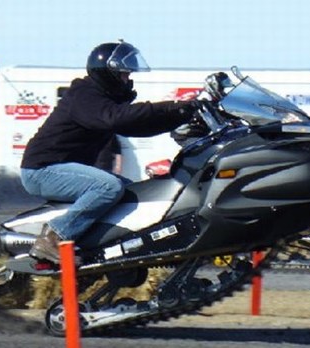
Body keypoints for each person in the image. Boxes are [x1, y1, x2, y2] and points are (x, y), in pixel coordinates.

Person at [21, 41, 198, 263]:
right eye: (124, 74)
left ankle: (106, 247)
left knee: (137, 192)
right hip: (42, 170)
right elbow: (117, 117)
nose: (128, 79)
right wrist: (171, 106)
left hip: (62, 169)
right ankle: (53, 238)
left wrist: (182, 114)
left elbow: (137, 126)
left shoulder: (101, 101)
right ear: (108, 73)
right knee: (108, 186)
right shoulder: (84, 95)